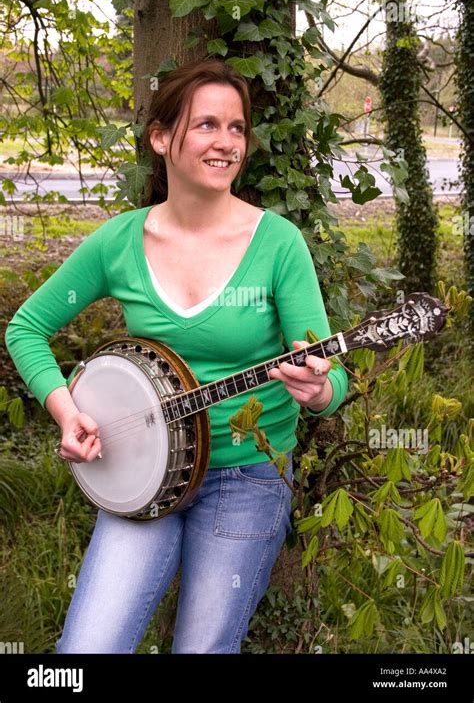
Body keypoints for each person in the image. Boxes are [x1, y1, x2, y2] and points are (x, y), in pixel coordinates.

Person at [4, 58, 348, 654]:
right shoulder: (120, 241)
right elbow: (26, 328)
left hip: (246, 479)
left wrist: (318, 388)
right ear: (162, 138)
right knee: (86, 649)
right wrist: (66, 412)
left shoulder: (278, 244)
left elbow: (330, 375)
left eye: (237, 128)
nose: (226, 142)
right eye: (207, 125)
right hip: (142, 471)